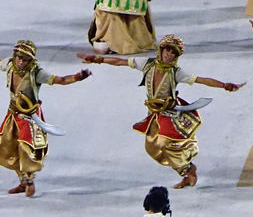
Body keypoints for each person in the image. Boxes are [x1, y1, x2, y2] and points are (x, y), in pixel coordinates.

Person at [81, 35, 242, 190]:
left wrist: (224, 85)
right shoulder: (147, 64)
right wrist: (99, 59)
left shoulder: (176, 72)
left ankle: (188, 171)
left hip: (170, 113)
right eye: (167, 51)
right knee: (151, 148)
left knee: (165, 143)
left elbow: (201, 79)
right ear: (162, 50)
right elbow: (121, 61)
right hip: (154, 113)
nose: (169, 56)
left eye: (173, 53)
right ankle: (186, 169)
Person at [0, 40, 93, 198]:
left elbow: (61, 80)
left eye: (24, 59)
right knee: (7, 147)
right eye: (18, 58)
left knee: (27, 148)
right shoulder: (9, 64)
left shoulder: (36, 72)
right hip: (13, 114)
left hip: (29, 116)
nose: (20, 62)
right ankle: (22, 181)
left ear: (31, 61)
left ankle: (29, 181)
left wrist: (77, 77)